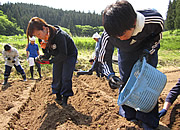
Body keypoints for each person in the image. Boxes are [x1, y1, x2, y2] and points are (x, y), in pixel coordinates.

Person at [98, 1, 164, 129]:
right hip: (126, 53)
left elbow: (157, 37)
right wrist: (110, 75)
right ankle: (129, 118)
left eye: (122, 34)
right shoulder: (108, 35)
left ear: (134, 23)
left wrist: (147, 51)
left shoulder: (153, 20)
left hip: (146, 49)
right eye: (115, 36)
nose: (119, 38)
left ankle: (148, 120)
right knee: (127, 81)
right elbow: (103, 59)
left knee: (147, 83)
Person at [26, 17, 78, 106]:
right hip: (58, 55)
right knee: (56, 75)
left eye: (38, 34)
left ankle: (65, 99)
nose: (39, 37)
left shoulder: (59, 35)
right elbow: (47, 53)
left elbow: (63, 54)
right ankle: (58, 96)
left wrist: (50, 62)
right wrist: (43, 58)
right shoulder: (42, 39)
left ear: (44, 28)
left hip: (69, 55)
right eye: (36, 36)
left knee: (65, 76)